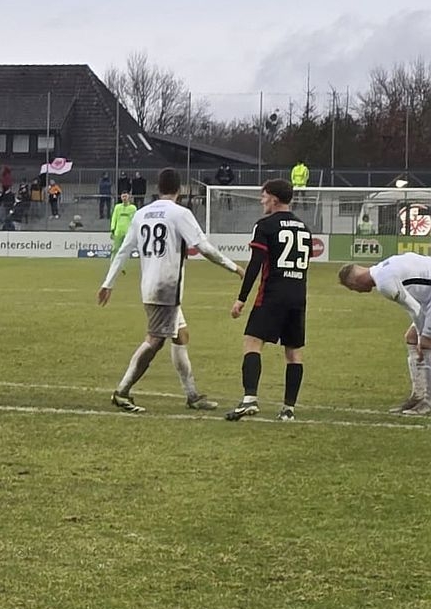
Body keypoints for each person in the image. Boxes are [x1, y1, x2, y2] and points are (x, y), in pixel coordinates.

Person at [97, 168, 241, 413]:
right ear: (180, 189)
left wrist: (108, 283)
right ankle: (122, 392)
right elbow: (203, 247)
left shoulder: (141, 213)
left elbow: (123, 251)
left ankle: (192, 395)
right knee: (154, 340)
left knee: (181, 336)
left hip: (151, 286)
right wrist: (234, 267)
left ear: (158, 188)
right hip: (166, 287)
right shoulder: (179, 213)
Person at [226, 180, 311, 422]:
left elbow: (256, 263)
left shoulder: (265, 225)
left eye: (263, 196)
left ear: (274, 198)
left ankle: (249, 400)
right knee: (294, 352)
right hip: (298, 295)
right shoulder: (304, 228)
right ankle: (288, 409)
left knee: (252, 342)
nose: (261, 201)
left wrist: (241, 298)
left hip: (273, 294)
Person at [338, 254, 431, 414]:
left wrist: (421, 336)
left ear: (354, 282)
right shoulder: (381, 268)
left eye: (353, 289)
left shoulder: (384, 283)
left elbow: (415, 309)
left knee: (425, 343)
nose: (358, 292)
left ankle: (428, 401)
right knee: (411, 338)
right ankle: (418, 395)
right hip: (428, 299)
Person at [110, 192, 137, 270]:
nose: (124, 198)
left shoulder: (133, 208)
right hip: (118, 231)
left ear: (129, 197)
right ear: (121, 197)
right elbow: (114, 218)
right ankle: (113, 264)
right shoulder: (117, 207)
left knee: (124, 250)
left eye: (125, 196)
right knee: (115, 249)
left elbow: (134, 220)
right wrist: (112, 229)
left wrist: (134, 231)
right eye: (123, 196)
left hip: (128, 232)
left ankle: (122, 266)